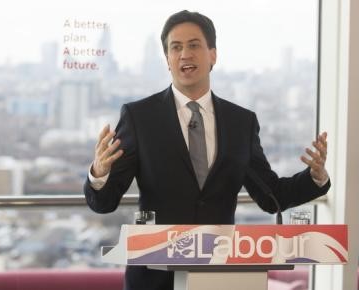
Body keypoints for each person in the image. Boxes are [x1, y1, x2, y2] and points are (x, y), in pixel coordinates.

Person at [84, 10, 330, 290]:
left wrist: (315, 177)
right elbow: (104, 202)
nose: (184, 54)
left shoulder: (242, 122)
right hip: (153, 277)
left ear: (213, 55)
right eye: (175, 48)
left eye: (194, 45)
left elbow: (270, 196)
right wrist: (99, 174)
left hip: (219, 276)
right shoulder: (139, 117)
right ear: (167, 60)